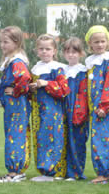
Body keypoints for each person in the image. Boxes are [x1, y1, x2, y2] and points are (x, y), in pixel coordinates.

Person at [29, 34, 70, 182]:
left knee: (51, 138)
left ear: (54, 51)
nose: (44, 52)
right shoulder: (35, 68)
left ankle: (50, 171)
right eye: (41, 49)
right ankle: (44, 171)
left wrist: (46, 84)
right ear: (36, 51)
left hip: (52, 111)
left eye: (48, 49)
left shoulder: (57, 68)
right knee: (41, 139)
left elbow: (64, 90)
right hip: (38, 111)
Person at [0, 26, 31, 183]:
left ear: (16, 42)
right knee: (13, 135)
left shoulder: (17, 62)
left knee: (14, 136)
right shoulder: (11, 61)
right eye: (1, 42)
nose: (2, 45)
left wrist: (16, 91)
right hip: (12, 107)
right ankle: (15, 171)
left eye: (6, 42)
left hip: (17, 106)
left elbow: (25, 79)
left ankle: (14, 172)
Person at [84, 25, 109, 184]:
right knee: (97, 140)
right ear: (90, 44)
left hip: (105, 110)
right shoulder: (90, 62)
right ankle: (105, 172)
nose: (99, 45)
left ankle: (104, 172)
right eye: (96, 42)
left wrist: (104, 106)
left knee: (104, 140)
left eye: (102, 41)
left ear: (107, 43)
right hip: (94, 109)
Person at [62, 37, 89, 181]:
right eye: (68, 51)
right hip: (64, 109)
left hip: (77, 110)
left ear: (81, 53)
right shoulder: (61, 70)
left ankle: (76, 171)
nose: (71, 55)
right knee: (64, 141)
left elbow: (83, 94)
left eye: (74, 52)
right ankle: (64, 170)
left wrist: (80, 111)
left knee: (77, 141)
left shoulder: (83, 71)